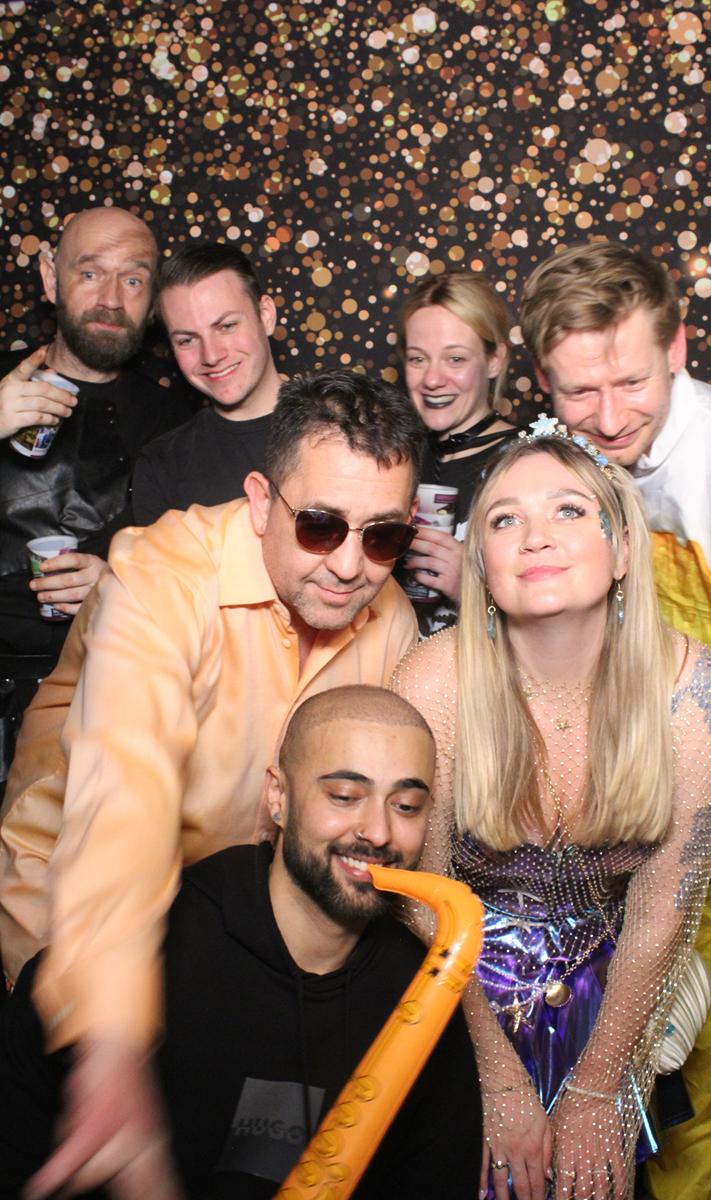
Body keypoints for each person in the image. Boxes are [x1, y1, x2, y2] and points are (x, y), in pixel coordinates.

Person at [0, 368, 425, 1197]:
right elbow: (127, 792)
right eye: (320, 525)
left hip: (228, 958)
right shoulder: (158, 576)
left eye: (381, 537)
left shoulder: (393, 619)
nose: (350, 565)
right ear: (261, 501)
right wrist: (108, 1043)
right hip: (74, 941)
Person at [519, 241, 711, 1200]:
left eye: (632, 382)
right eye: (578, 391)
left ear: (677, 347)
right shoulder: (576, 460)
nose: (607, 417)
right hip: (674, 792)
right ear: (543, 378)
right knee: (685, 1054)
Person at [393, 423, 711, 1200]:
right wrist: (494, 1076)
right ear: (481, 561)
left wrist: (599, 1085)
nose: (535, 536)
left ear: (623, 550)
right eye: (504, 518)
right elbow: (421, 900)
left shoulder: (694, 689)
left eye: (569, 510)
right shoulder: (433, 680)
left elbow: (665, 910)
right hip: (453, 990)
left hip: (612, 995)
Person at [0, 686, 482, 1199]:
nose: (379, 832)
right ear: (278, 798)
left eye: (406, 806)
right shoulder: (135, 953)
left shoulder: (422, 991)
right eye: (344, 797)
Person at [0, 206, 193, 789]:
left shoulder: (179, 424)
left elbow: (205, 584)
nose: (111, 299)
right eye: (90, 273)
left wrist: (124, 584)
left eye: (133, 279)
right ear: (50, 278)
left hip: (107, 711)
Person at [396, 270, 518, 635]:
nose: (432, 380)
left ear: (494, 360)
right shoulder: (392, 457)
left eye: (455, 359)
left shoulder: (526, 463)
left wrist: (473, 588)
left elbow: (566, 624)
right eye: (418, 359)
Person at [132, 243, 282, 525]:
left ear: (266, 316)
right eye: (187, 340)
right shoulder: (161, 466)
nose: (211, 355)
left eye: (226, 326)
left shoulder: (347, 426)